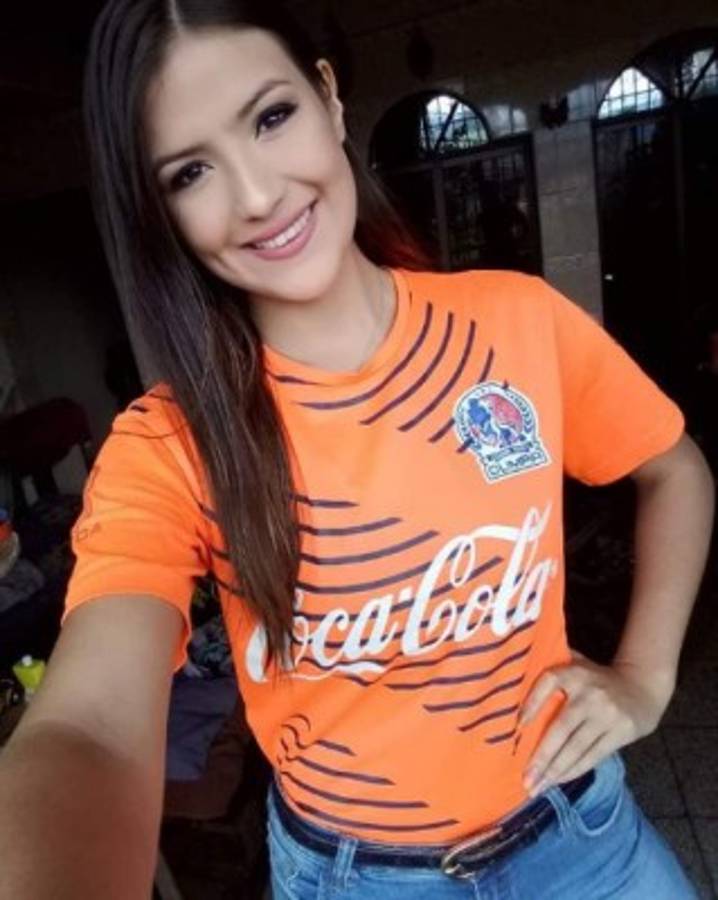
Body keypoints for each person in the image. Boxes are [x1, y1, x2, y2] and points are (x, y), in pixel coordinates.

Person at [0, 1, 714, 898]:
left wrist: (644, 677)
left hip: (581, 840)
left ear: (329, 97)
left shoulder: (517, 323)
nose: (257, 196)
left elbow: (674, 468)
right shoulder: (170, 445)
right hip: (357, 881)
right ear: (160, 212)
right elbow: (91, 727)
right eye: (191, 172)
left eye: (271, 117)